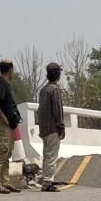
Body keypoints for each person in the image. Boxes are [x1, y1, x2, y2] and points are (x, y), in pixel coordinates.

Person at [0, 59, 22, 194]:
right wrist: (3, 117)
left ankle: (5, 182)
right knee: (3, 152)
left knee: (7, 152)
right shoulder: (1, 83)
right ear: (10, 70)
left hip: (8, 125)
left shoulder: (4, 84)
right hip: (3, 124)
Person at [37, 62, 65, 192]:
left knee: (46, 155)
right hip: (53, 128)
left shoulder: (43, 90)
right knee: (52, 156)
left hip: (44, 128)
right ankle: (48, 182)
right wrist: (61, 126)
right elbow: (57, 110)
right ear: (58, 75)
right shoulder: (55, 89)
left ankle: (45, 179)